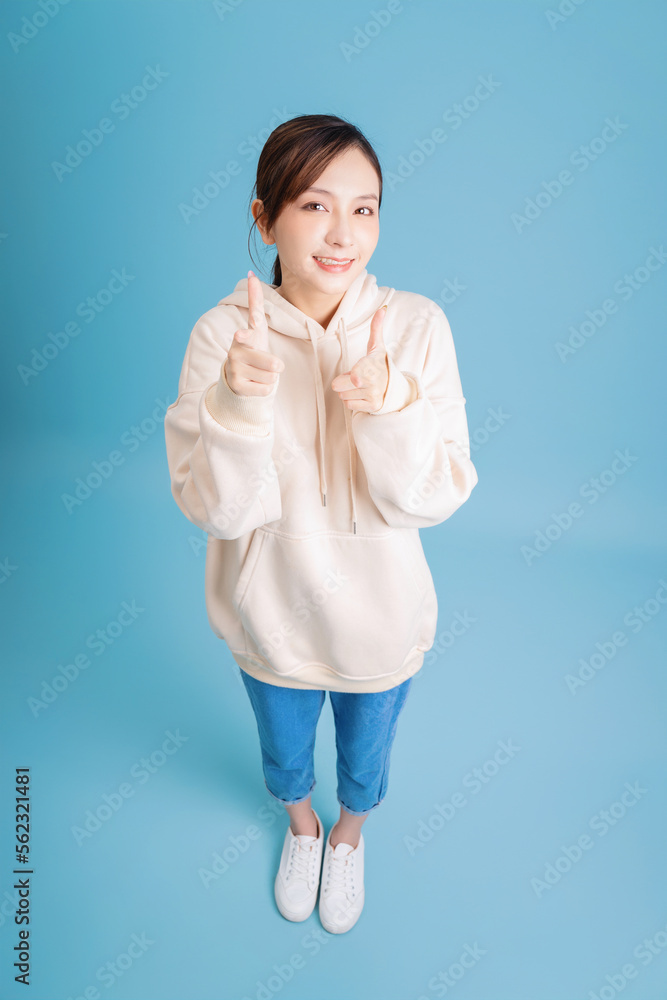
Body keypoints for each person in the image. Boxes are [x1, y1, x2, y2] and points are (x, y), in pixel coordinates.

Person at [164, 113, 478, 933]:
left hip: (382, 620)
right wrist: (238, 400)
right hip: (270, 617)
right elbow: (217, 509)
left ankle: (348, 835)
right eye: (313, 205)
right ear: (264, 218)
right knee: (285, 755)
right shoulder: (222, 336)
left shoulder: (415, 328)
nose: (343, 234)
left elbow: (435, 496)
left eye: (364, 209)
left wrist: (390, 405)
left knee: (366, 761)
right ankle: (303, 828)